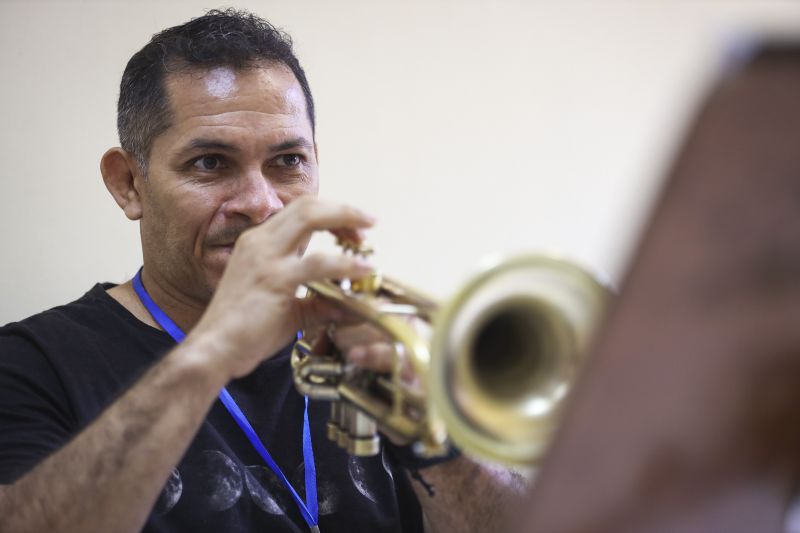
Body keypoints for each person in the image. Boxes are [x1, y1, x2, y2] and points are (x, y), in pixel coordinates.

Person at [0, 9, 523, 533]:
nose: (260, 203)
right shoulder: (29, 364)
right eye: (210, 163)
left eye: (288, 161)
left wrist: (435, 431)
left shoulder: (377, 352)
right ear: (128, 184)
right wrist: (212, 353)